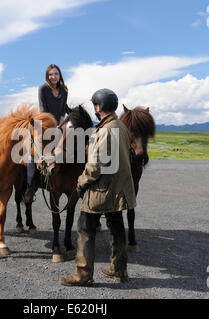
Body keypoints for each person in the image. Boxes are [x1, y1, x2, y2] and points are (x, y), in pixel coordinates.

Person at [59, 88, 136, 287]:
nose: (94, 108)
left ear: (99, 107)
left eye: (95, 105)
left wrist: (81, 183)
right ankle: (119, 270)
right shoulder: (122, 126)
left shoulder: (103, 131)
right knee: (117, 228)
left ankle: (83, 275)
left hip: (101, 190)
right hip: (119, 188)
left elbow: (94, 167)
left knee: (85, 229)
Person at [24, 64, 68, 203]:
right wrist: (51, 126)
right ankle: (30, 187)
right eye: (50, 74)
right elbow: (43, 109)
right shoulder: (43, 89)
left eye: (56, 74)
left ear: (60, 75)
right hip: (44, 122)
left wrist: (60, 125)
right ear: (47, 76)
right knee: (34, 151)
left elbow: (62, 111)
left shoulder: (64, 90)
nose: (53, 77)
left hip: (59, 124)